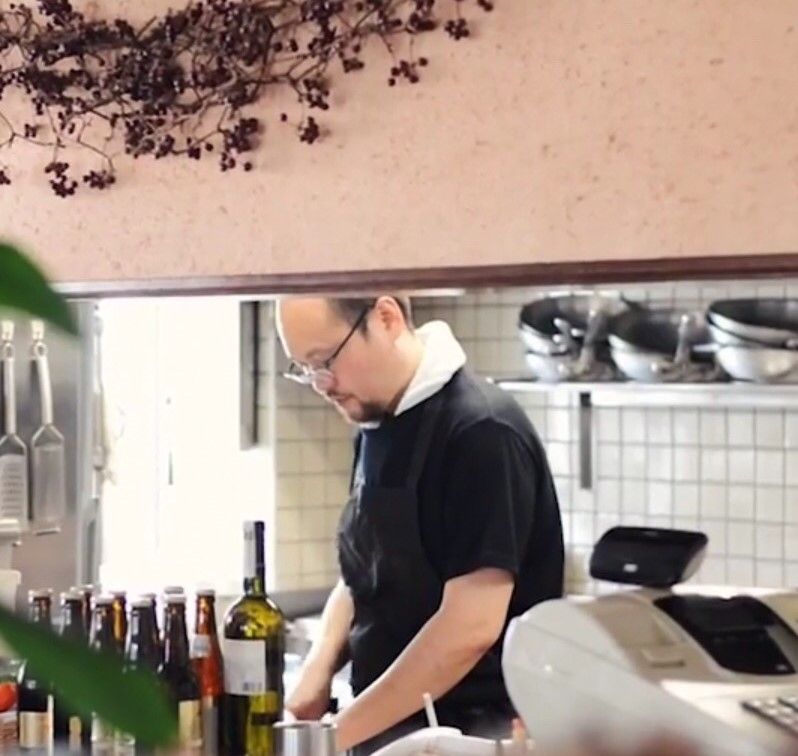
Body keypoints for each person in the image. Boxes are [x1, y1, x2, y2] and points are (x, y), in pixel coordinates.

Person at [276, 295, 564, 755]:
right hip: (385, 733)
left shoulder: (482, 432)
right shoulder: (378, 423)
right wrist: (319, 667)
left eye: (325, 361)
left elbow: (469, 629)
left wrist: (333, 737)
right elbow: (365, 573)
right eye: (304, 369)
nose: (321, 385)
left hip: (471, 737)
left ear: (386, 318)